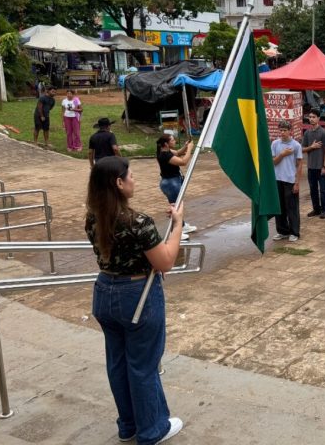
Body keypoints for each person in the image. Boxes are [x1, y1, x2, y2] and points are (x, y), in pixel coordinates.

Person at [86, 156, 185, 444]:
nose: (134, 180)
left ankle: (128, 424)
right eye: (130, 176)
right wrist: (178, 224)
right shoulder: (138, 222)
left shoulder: (93, 217)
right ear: (119, 183)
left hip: (105, 292)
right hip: (136, 296)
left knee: (118, 363)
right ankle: (152, 429)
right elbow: (165, 261)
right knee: (143, 365)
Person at [155, 134, 197, 240]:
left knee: (177, 205)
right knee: (176, 207)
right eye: (172, 140)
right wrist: (190, 149)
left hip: (173, 181)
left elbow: (178, 153)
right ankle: (175, 231)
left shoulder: (166, 151)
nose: (174, 141)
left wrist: (186, 146)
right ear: (166, 144)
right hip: (171, 183)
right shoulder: (165, 155)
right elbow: (183, 162)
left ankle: (182, 226)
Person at [271, 121, 303, 243]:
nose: (282, 132)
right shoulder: (275, 144)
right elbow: (273, 162)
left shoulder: (296, 145)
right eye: (281, 130)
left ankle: (294, 232)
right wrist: (283, 154)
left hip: (290, 180)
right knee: (279, 208)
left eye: (285, 130)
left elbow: (300, 164)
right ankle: (282, 231)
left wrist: (297, 182)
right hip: (277, 179)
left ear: (290, 131)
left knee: (292, 208)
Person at [302, 109, 325, 219]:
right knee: (313, 189)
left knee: (323, 190)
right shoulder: (307, 133)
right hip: (311, 167)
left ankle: (324, 210)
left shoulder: (323, 133)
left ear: (318, 118)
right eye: (310, 117)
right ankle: (316, 209)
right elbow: (302, 149)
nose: (311, 119)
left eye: (314, 117)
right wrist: (311, 147)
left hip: (321, 167)